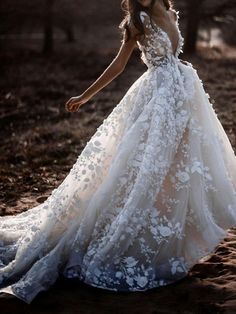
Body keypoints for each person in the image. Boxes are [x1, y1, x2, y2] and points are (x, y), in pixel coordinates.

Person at [1, 0, 236, 305]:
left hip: (183, 94)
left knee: (181, 164)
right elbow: (119, 65)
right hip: (156, 99)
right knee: (144, 167)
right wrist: (85, 96)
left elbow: (173, 52)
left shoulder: (169, 12)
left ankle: (170, 233)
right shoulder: (137, 21)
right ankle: (134, 232)